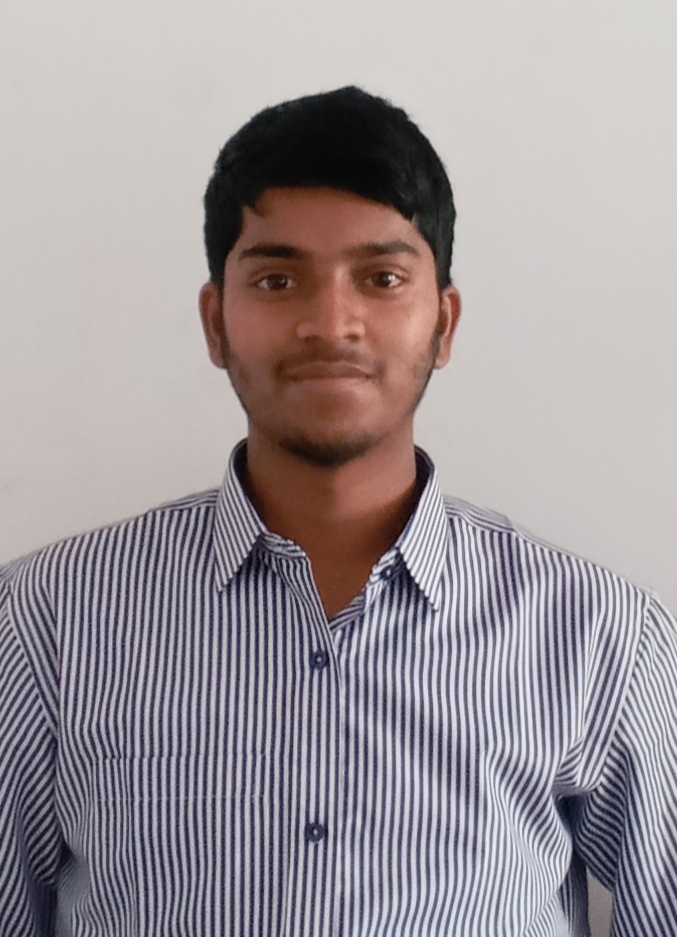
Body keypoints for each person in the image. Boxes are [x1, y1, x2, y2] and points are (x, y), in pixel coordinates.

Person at [1, 86, 676, 937]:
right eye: (277, 279)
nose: (329, 323)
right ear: (215, 321)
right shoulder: (46, 621)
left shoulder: (597, 634)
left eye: (381, 277)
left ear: (443, 322)